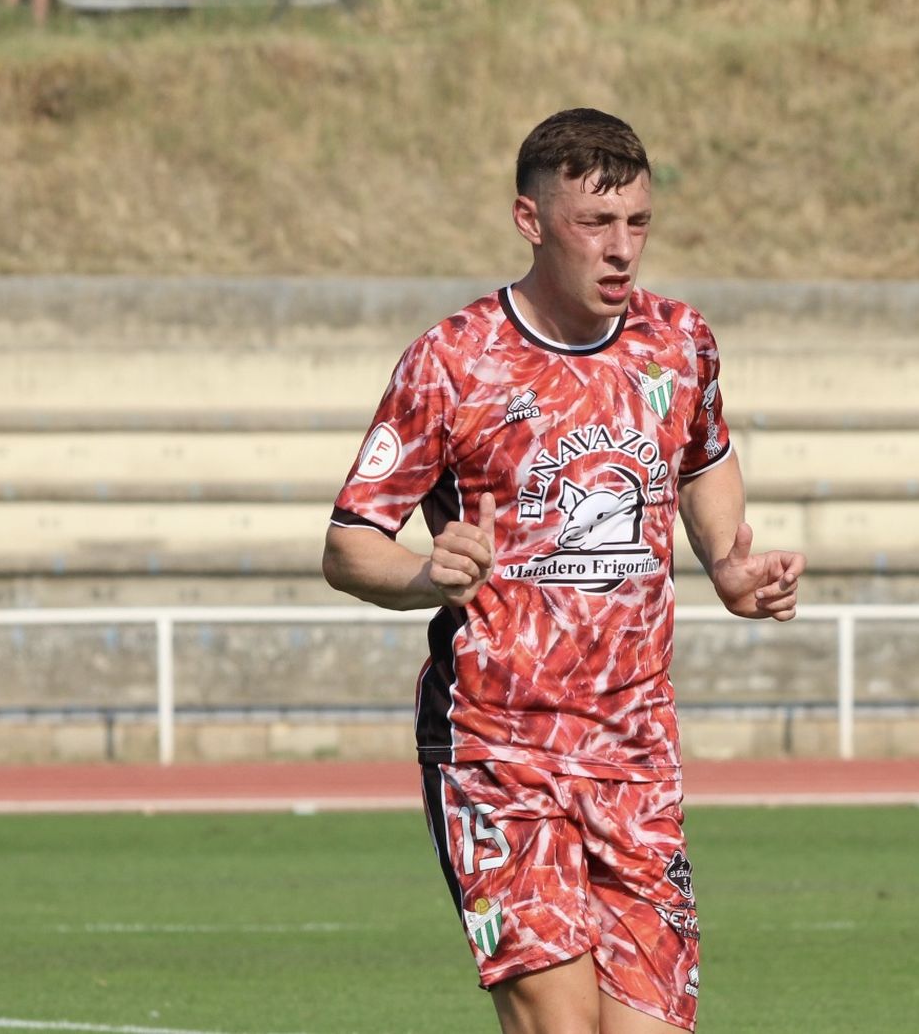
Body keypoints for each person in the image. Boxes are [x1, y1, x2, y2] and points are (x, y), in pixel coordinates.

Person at [323, 108, 804, 1033]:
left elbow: (702, 456)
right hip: (499, 746)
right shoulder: (454, 361)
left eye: (638, 224)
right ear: (531, 219)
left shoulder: (680, 342)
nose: (622, 249)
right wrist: (428, 576)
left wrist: (730, 566)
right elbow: (348, 543)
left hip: (636, 750)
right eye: (596, 224)